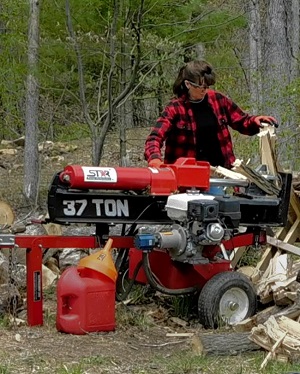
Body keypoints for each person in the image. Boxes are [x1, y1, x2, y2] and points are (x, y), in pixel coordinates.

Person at [144, 60, 278, 169]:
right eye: (201, 87)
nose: (205, 90)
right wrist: (155, 159)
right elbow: (154, 138)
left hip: (221, 173)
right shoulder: (175, 108)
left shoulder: (218, 100)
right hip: (187, 177)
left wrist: (255, 121)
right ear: (188, 84)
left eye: (207, 86)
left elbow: (242, 121)